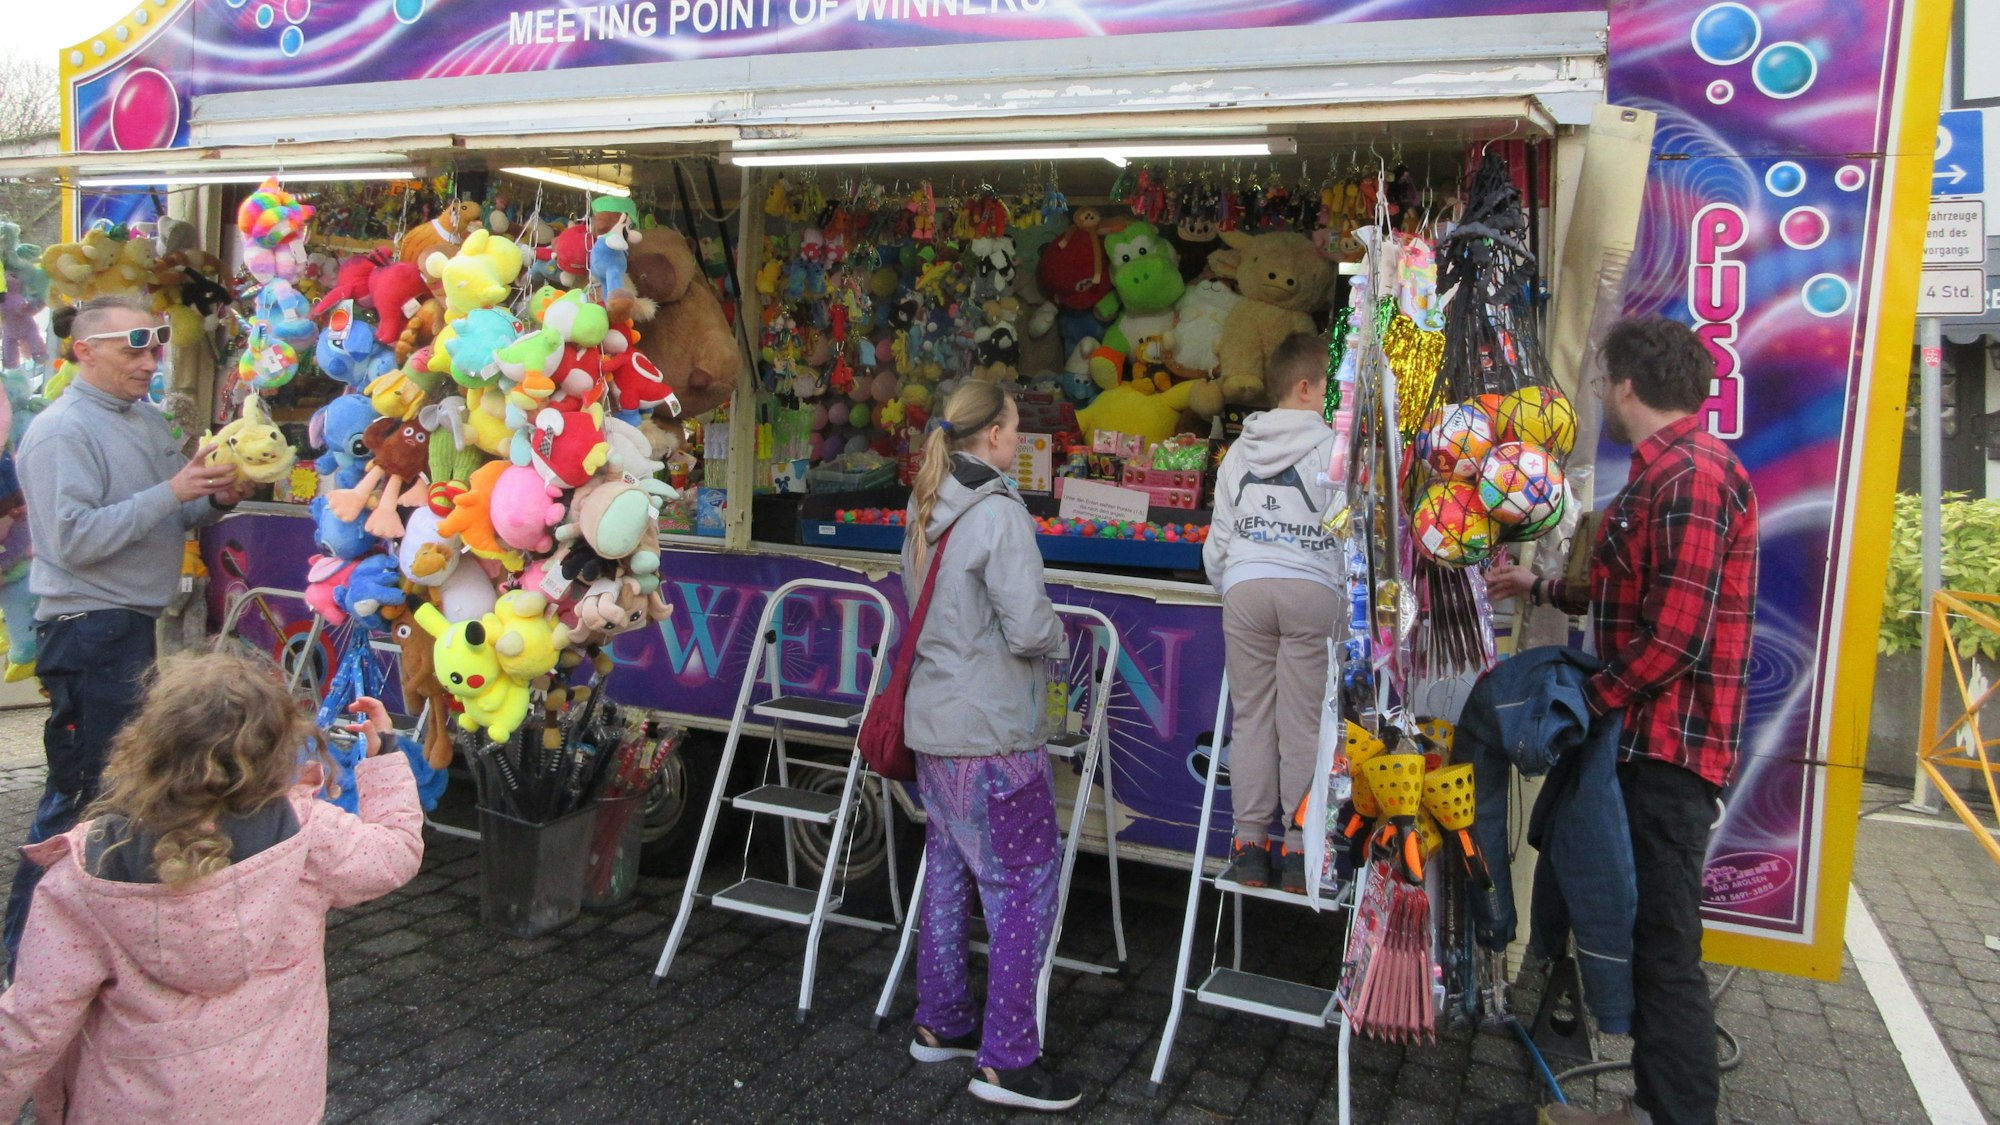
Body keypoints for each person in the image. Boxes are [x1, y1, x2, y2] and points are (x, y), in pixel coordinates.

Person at [1487, 317, 1759, 1125]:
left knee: (1666, 952)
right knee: (1640, 939)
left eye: (1605, 381)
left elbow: (1673, 637)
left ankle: (1674, 1116)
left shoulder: (1691, 479)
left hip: (1667, 755)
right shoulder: (1659, 477)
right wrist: (1535, 588)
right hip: (1641, 747)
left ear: (1630, 386)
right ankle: (1646, 1110)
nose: (1600, 394)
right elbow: (1620, 591)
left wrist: (1583, 705)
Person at [0, 651, 424, 1122]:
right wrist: (384, 753)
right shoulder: (309, 836)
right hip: (273, 1103)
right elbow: (394, 853)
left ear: (148, 746)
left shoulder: (84, 874)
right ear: (279, 748)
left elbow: (31, 1025)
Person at [2, 295, 254, 975]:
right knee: (85, 793)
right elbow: (74, 539)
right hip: (88, 629)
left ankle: (94, 943)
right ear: (84, 351)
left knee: (124, 791)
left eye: (158, 343)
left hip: (129, 624)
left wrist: (217, 495)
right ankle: (24, 960)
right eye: (134, 346)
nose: (152, 359)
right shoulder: (61, 430)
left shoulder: (142, 420)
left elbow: (168, 513)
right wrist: (173, 491)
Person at [899, 380, 1078, 1112]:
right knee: (1024, 884)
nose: (1014, 434)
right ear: (997, 436)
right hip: (994, 736)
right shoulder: (1000, 513)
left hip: (934, 730)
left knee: (948, 870)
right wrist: (1061, 639)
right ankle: (1007, 1057)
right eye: (1010, 424)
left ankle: (939, 1022)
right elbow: (1028, 625)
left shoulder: (926, 504)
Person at [1202, 332, 1343, 893]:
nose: (1334, 399)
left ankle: (1250, 845)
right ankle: (1297, 845)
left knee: (1253, 715)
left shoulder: (1240, 449)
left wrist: (1231, 582)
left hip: (1245, 587)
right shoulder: (1333, 448)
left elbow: (1218, 542)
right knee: (1303, 720)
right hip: (1313, 590)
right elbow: (1346, 532)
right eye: (1329, 387)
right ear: (1305, 388)